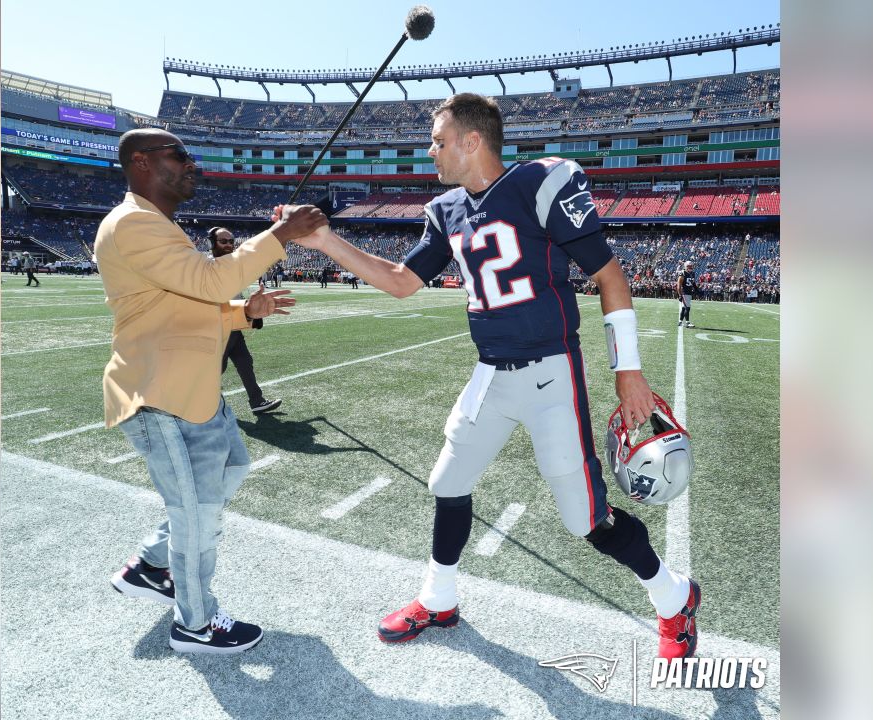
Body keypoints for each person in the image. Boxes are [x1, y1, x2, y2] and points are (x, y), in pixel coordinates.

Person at [288, 93, 700, 661]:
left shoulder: (538, 184)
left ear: (471, 141)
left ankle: (674, 598)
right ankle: (439, 598)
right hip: (491, 374)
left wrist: (628, 372)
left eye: (437, 140)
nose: (429, 151)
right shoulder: (447, 210)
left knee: (587, 519)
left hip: (550, 374)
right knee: (447, 483)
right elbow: (402, 280)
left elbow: (609, 275)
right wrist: (323, 241)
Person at [97, 128, 327, 655]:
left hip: (191, 394)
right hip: (159, 396)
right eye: (178, 155)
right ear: (141, 163)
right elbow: (210, 281)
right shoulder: (134, 222)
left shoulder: (157, 225)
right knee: (196, 513)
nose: (190, 164)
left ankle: (151, 565)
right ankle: (195, 625)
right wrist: (280, 236)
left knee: (230, 472)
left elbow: (181, 304)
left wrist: (244, 313)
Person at [208, 226, 283, 416]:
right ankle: (201, 404)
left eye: (231, 241)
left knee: (244, 362)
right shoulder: (207, 267)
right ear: (212, 243)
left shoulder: (232, 265)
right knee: (216, 369)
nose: (228, 245)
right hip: (217, 328)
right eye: (223, 241)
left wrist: (250, 313)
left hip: (234, 326)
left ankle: (256, 401)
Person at [677, 260, 696, 328]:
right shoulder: (683, 273)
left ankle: (680, 322)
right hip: (684, 293)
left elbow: (693, 282)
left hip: (689, 293)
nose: (690, 267)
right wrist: (680, 295)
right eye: (688, 266)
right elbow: (678, 285)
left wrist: (696, 289)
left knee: (683, 308)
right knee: (687, 308)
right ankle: (687, 323)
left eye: (691, 266)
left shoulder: (692, 273)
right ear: (685, 266)